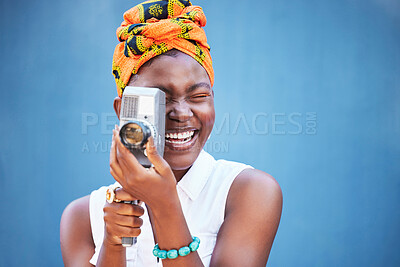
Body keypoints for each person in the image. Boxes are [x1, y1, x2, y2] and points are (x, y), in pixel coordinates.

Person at [60, 1, 282, 266]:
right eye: (161, 99)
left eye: (198, 96)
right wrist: (113, 242)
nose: (182, 113)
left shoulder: (249, 192)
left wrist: (164, 204)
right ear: (123, 110)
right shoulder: (84, 217)